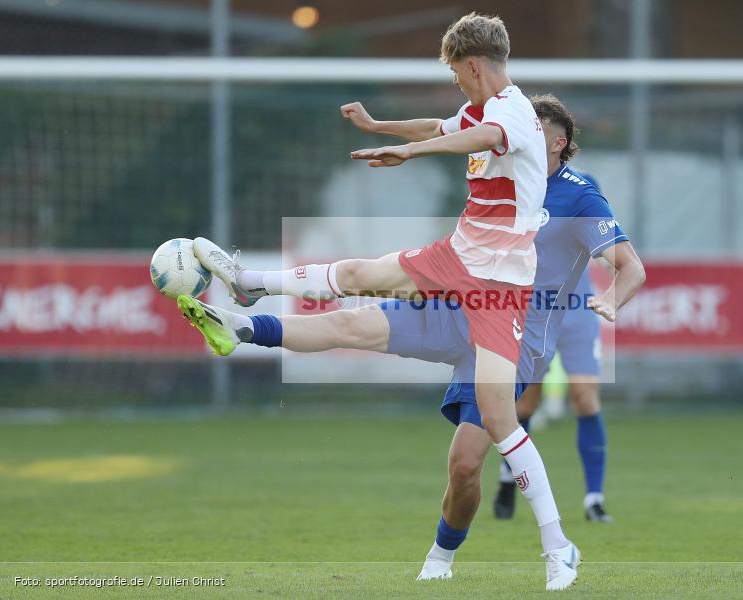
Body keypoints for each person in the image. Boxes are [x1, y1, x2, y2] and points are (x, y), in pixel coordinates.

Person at [180, 14, 580, 590]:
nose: (456, 88)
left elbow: (481, 139)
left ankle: (558, 546)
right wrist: (381, 126)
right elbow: (442, 125)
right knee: (360, 275)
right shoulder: (478, 107)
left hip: (498, 290)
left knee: (498, 418)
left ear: (473, 66)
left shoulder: (512, 112)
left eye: (456, 76)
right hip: (457, 257)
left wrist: (416, 155)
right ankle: (250, 285)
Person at [494, 175, 612, 524]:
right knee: (525, 402)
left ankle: (595, 499)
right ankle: (506, 479)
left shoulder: (586, 188)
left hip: (578, 310)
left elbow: (603, 240)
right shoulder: (525, 189)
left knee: (586, 398)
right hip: (537, 310)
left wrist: (612, 267)